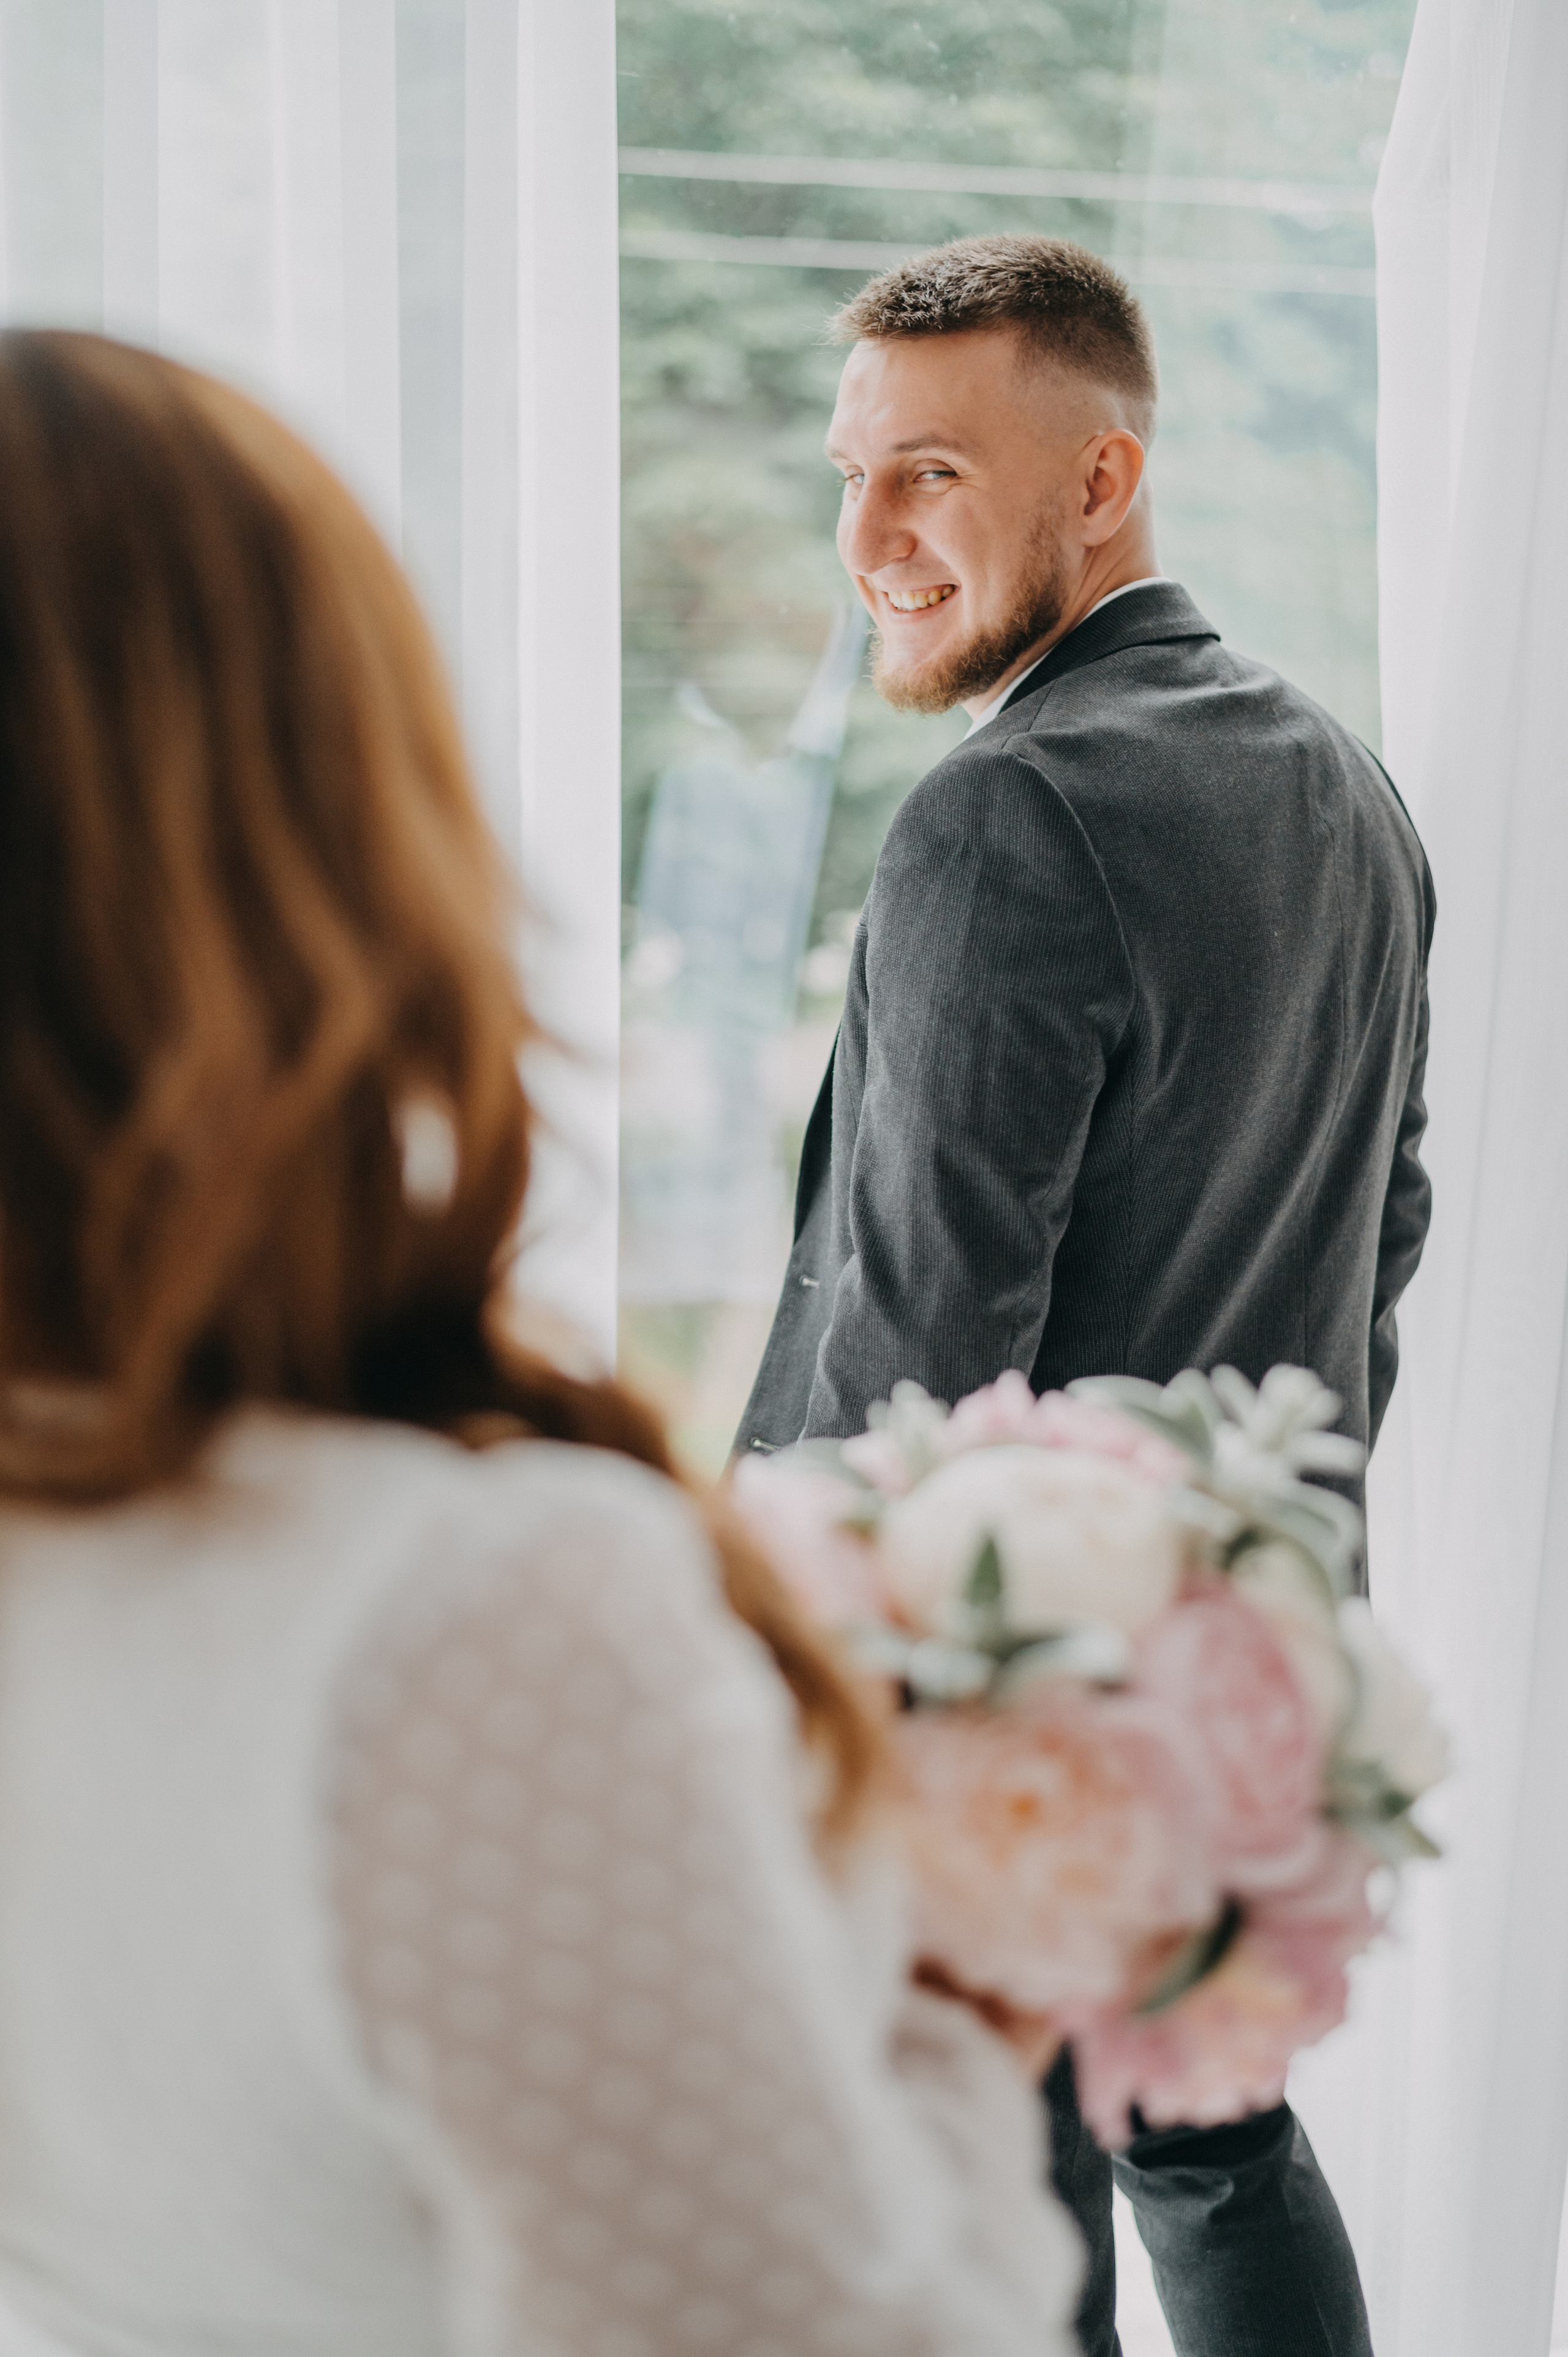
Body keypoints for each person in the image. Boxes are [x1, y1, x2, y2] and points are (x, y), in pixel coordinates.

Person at [0, 328, 1085, 2356]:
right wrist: (945, 2039)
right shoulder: (467, 1614)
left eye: (921, 470)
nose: (864, 538)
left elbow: (944, 1275)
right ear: (333, 820)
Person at [737, 236, 1434, 2357]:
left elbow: (915, 1350)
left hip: (996, 1684)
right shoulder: (1344, 787)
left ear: (1103, 477)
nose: (867, 539)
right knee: (1212, 2151)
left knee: (990, 2204)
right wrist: (1234, 1570)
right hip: (1240, 1661)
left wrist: (808, 1675)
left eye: (929, 475)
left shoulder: (1006, 811)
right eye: (852, 474)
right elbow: (1380, 1230)